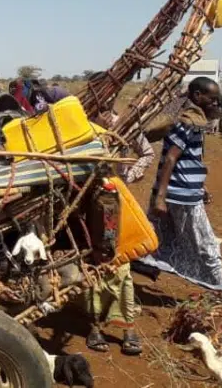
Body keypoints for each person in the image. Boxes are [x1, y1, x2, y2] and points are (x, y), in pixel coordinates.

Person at [135, 77, 222, 292]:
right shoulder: (187, 123)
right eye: (211, 99)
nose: (215, 103)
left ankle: (141, 263)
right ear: (197, 96)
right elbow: (170, 159)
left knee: (159, 238)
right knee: (206, 245)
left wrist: (200, 188)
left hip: (183, 191)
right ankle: (221, 289)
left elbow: (189, 161)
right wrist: (160, 197)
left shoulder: (195, 122)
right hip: (179, 195)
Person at [86, 111, 155, 356]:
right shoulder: (83, 125)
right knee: (93, 262)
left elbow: (147, 153)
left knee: (121, 261)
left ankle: (127, 328)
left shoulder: (125, 123)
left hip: (116, 199)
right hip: (85, 200)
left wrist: (127, 176)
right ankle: (94, 325)